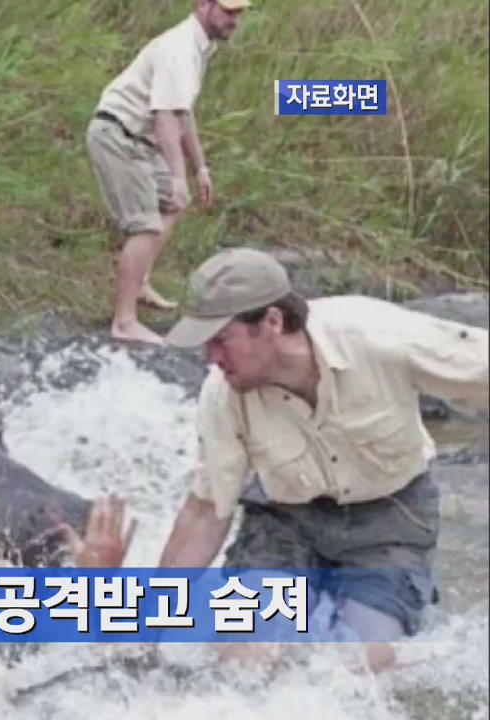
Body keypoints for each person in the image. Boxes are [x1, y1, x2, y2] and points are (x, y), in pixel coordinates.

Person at [152, 247, 489, 671]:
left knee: (356, 669)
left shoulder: (378, 335)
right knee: (245, 662)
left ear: (272, 321)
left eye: (220, 340)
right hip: (284, 523)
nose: (211, 358)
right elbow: (204, 512)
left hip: (389, 521)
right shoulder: (222, 395)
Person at [85, 0, 250, 346]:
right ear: (203, 6)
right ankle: (124, 321)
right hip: (119, 134)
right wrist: (177, 177)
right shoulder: (179, 48)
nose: (235, 19)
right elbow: (164, 117)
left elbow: (182, 115)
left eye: (239, 12)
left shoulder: (200, 48)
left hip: (140, 140)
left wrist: (200, 168)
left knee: (173, 204)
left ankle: (140, 281)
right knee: (145, 224)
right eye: (229, 11)